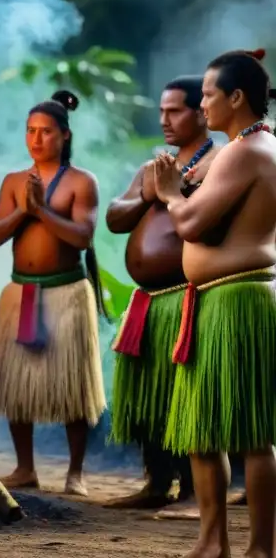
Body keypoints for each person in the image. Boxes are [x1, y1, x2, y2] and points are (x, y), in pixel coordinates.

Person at [154, 50, 276, 558]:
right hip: (223, 299)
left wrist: (167, 192)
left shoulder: (245, 152)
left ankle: (258, 548)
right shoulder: (254, 147)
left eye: (207, 95)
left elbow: (189, 224)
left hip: (236, 301)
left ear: (236, 97)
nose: (202, 105)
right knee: (205, 429)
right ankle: (217, 543)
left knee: (248, 433)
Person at [0, 89, 106, 496]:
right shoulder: (14, 182)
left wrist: (42, 212)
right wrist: (23, 210)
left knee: (73, 386)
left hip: (66, 292)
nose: (37, 140)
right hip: (22, 293)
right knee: (18, 386)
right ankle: (25, 468)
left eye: (47, 132)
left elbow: (83, 237)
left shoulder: (81, 182)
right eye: (31, 131)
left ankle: (76, 473)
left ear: (64, 136)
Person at [105, 76, 218, 511]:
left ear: (202, 112)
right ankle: (156, 483)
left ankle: (193, 489)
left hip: (191, 296)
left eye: (174, 111)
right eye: (161, 111)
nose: (164, 120)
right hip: (149, 302)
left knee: (185, 396)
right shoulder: (153, 167)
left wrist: (178, 192)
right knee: (149, 397)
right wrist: (146, 196)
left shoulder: (219, 163)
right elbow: (116, 217)